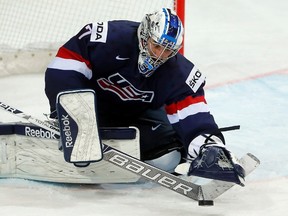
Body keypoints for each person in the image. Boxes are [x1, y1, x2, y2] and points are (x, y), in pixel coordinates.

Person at [45, 8, 245, 184]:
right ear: (144, 35)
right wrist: (70, 110)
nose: (160, 56)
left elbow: (192, 115)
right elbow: (64, 69)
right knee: (76, 115)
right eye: (157, 46)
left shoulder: (179, 73)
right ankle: (75, 128)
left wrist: (209, 145)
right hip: (92, 106)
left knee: (169, 158)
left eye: (168, 51)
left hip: (139, 116)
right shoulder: (108, 38)